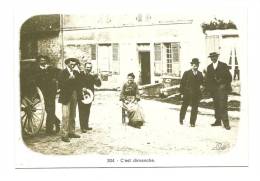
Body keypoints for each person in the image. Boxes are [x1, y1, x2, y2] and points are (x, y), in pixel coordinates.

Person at [205, 52, 232, 130]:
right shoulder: (209, 67)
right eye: (211, 57)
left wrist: (223, 83)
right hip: (214, 91)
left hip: (222, 90)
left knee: (223, 106)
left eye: (214, 56)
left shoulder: (223, 65)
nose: (213, 58)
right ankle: (218, 121)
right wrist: (209, 89)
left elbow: (229, 78)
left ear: (217, 57)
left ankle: (226, 124)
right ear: (210, 58)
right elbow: (208, 80)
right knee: (216, 105)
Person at [35, 55, 61, 134]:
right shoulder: (37, 70)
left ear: (46, 61)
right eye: (41, 60)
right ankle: (56, 121)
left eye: (44, 60)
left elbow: (60, 74)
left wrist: (57, 84)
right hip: (42, 92)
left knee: (51, 108)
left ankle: (49, 129)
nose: (43, 61)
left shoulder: (51, 68)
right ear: (39, 61)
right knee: (47, 109)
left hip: (51, 92)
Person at [58, 58, 81, 142]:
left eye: (74, 64)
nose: (73, 66)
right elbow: (60, 85)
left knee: (73, 114)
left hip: (74, 95)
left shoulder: (76, 72)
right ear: (67, 64)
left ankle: (72, 132)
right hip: (65, 96)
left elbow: (79, 83)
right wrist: (69, 79)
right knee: (65, 115)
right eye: (71, 64)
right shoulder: (62, 72)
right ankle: (64, 135)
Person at [77, 61, 101, 133]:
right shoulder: (80, 74)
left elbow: (98, 85)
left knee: (87, 110)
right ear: (85, 67)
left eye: (90, 68)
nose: (89, 69)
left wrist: (97, 78)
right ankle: (82, 127)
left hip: (89, 96)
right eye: (87, 67)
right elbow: (77, 83)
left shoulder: (92, 76)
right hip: (81, 96)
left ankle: (86, 125)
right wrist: (81, 87)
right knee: (82, 111)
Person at [179, 58, 204, 127]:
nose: (196, 66)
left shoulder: (200, 74)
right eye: (194, 64)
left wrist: (202, 86)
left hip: (196, 94)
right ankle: (181, 118)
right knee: (184, 107)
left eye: (197, 64)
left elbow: (202, 83)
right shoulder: (186, 73)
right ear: (192, 65)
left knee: (195, 108)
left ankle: (192, 122)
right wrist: (181, 93)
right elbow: (182, 84)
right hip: (187, 93)